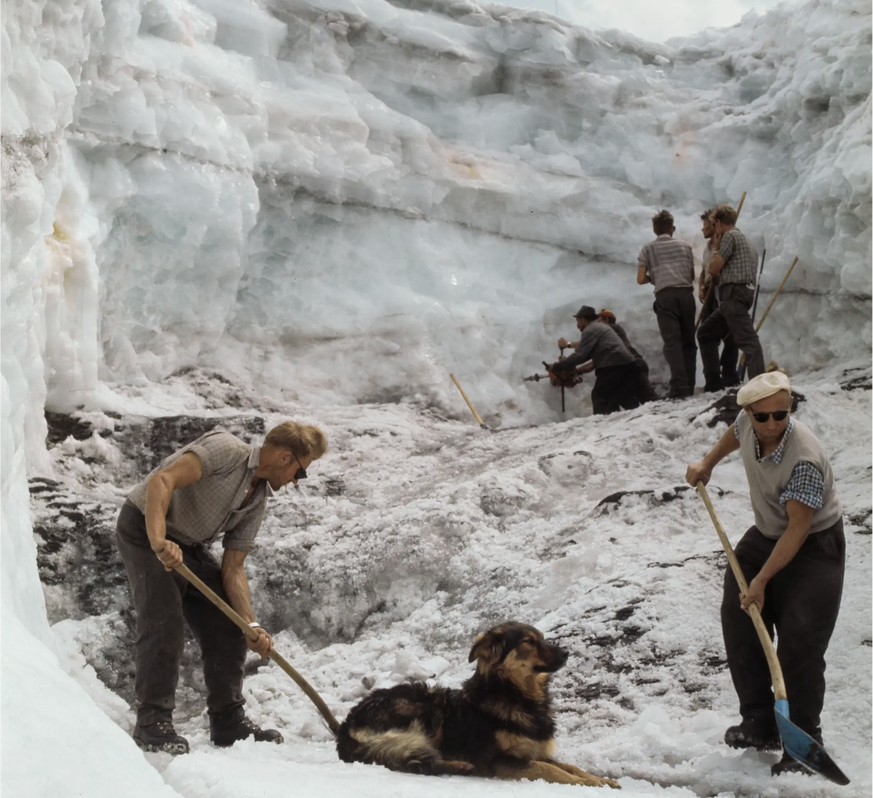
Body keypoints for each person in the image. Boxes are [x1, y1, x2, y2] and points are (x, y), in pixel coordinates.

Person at [116, 422, 329, 754]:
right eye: (300, 473)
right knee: (164, 621)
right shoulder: (226, 449)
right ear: (286, 457)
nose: (294, 482)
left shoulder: (257, 500)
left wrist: (251, 625)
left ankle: (227, 721)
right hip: (145, 529)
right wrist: (159, 541)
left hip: (188, 545)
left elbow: (233, 568)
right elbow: (164, 480)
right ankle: (151, 724)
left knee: (230, 624)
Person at [685, 372, 844, 777]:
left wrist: (762, 581)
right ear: (750, 413)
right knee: (739, 616)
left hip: (814, 546)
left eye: (781, 413)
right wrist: (707, 463)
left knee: (800, 639)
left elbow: (798, 529)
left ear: (790, 405)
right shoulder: (747, 423)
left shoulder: (803, 457)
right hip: (768, 533)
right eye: (764, 417)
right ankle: (759, 721)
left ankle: (804, 740)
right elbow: (735, 435)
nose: (773, 424)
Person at [698, 204, 765, 388]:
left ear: (719, 222)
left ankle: (761, 385)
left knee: (748, 341)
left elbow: (714, 268)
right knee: (705, 332)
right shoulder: (747, 241)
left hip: (733, 293)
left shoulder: (729, 236)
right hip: (742, 293)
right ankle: (720, 380)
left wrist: (717, 247)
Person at [636, 210, 697, 399]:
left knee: (672, 343)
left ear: (655, 230)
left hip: (665, 296)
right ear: (672, 228)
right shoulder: (685, 246)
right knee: (689, 342)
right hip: (686, 294)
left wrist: (655, 277)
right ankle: (690, 384)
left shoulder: (648, 249)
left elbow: (640, 279)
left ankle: (679, 387)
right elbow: (691, 275)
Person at [552, 305, 640, 415]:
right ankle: (637, 417)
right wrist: (571, 367)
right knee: (619, 396)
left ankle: (600, 424)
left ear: (583, 319)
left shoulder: (590, 330)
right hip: (626, 362)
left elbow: (580, 355)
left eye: (577, 320)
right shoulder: (599, 327)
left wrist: (557, 366)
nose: (577, 325)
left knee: (598, 395)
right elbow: (587, 355)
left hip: (613, 363)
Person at [698, 209, 739, 388]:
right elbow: (704, 269)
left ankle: (728, 374)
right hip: (709, 290)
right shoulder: (708, 247)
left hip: (721, 290)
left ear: (715, 224)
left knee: (728, 333)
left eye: (705, 225)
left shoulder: (725, 242)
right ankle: (713, 378)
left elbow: (721, 268)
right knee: (707, 334)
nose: (702, 229)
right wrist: (701, 286)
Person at [598, 308, 659, 403]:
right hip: (632, 365)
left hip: (635, 364)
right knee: (627, 396)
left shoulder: (610, 329)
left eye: (599, 321)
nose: (597, 326)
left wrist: (569, 344)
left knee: (649, 399)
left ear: (606, 319)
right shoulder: (610, 333)